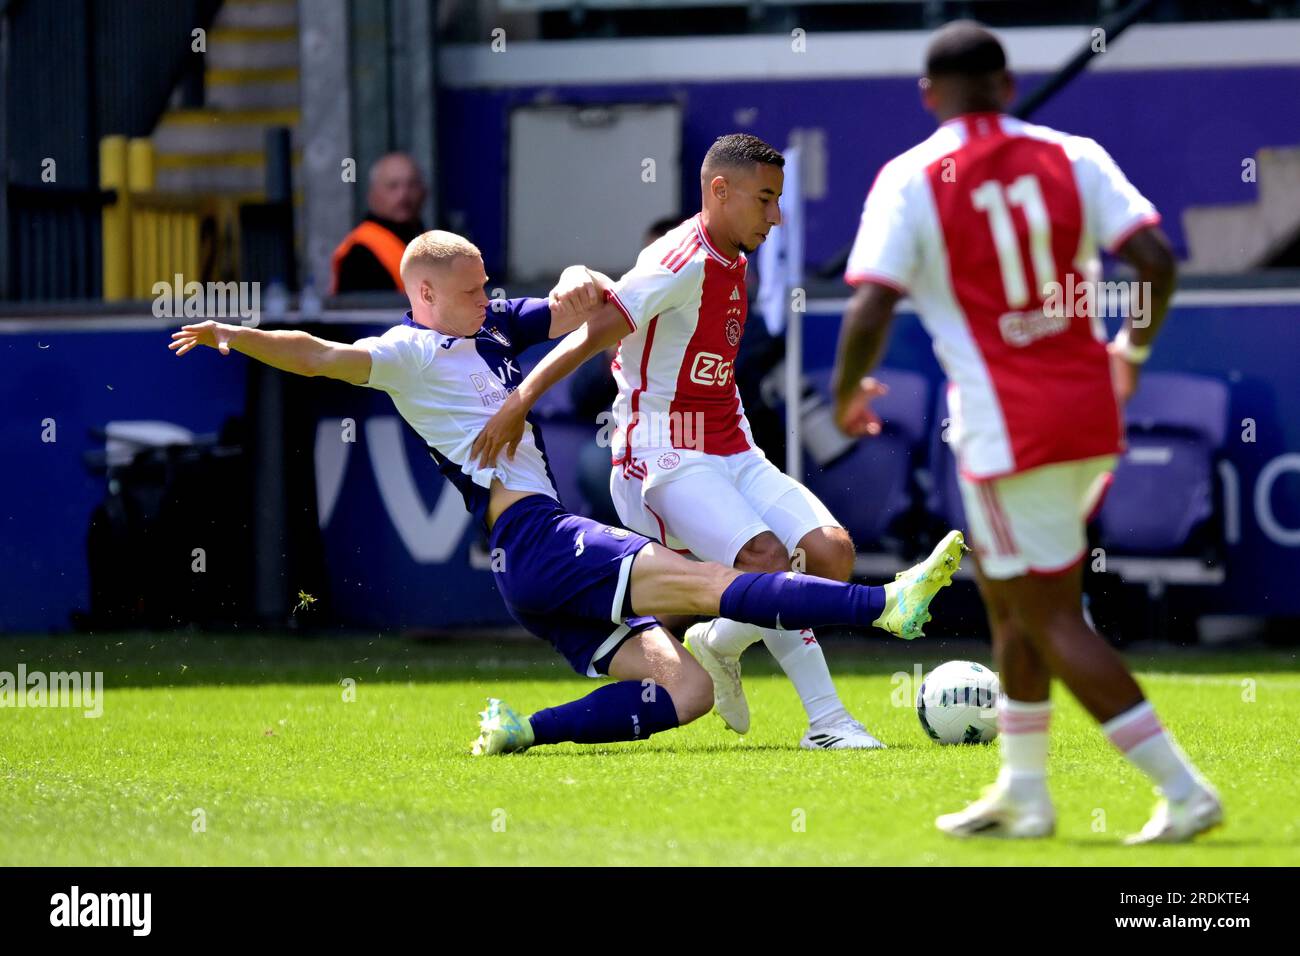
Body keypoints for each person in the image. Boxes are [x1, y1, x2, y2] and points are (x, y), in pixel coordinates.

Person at [169, 230, 963, 756]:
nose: (489, 297)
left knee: (682, 689)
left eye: (487, 285)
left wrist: (580, 278)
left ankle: (522, 731)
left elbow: (580, 306)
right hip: (541, 540)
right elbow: (319, 356)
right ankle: (883, 607)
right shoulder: (407, 351)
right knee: (720, 581)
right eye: (473, 289)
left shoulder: (490, 328)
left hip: (529, 573)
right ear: (423, 295)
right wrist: (236, 334)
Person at [831, 21, 1220, 843]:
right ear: (1008, 86)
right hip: (1089, 411)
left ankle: (1184, 792)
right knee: (1012, 605)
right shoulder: (1073, 155)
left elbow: (869, 305)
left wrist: (840, 398)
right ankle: (1025, 793)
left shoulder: (909, 177)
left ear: (929, 96)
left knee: (1046, 614)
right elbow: (1154, 260)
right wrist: (1133, 351)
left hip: (1010, 432)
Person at [472, 134, 963, 750]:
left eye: (778, 200)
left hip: (733, 447)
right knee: (765, 562)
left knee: (831, 554)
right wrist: (521, 400)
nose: (776, 216)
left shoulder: (735, 254)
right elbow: (592, 333)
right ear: (719, 191)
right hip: (660, 458)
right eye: (766, 200)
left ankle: (719, 640)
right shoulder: (679, 260)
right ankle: (829, 724)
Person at [330, 153, 428, 294]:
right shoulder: (360, 252)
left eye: (411, 185)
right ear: (373, 195)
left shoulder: (425, 240)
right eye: (392, 186)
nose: (404, 195)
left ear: (424, 193)